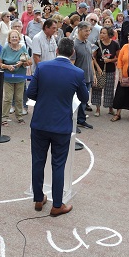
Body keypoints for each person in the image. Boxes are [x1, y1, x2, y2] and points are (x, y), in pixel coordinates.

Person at [26, 37, 88, 216]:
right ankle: (57, 204)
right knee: (58, 164)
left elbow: (30, 92)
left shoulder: (43, 67)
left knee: (38, 161)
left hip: (40, 122)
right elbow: (84, 98)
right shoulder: (77, 73)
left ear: (57, 50)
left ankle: (38, 198)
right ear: (73, 53)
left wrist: (46, 98)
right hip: (61, 124)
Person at [0, 30, 31, 125]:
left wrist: (22, 63)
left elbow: (29, 62)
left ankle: (19, 117)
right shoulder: (5, 49)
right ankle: (4, 118)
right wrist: (7, 66)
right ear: (9, 39)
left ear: (19, 38)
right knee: (8, 98)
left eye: (16, 37)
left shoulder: (23, 48)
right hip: (8, 78)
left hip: (20, 78)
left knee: (19, 98)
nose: (14, 38)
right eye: (12, 37)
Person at [92, 26, 119, 117]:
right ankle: (97, 109)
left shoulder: (115, 44)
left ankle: (110, 108)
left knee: (109, 89)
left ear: (109, 34)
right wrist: (98, 68)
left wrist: (110, 61)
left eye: (104, 33)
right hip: (99, 70)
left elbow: (118, 57)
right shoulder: (97, 43)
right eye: (101, 32)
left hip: (110, 70)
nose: (102, 35)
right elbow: (93, 57)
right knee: (97, 88)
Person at [73, 21, 95, 130]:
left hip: (88, 77)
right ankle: (74, 122)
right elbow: (71, 64)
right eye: (86, 30)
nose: (88, 32)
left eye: (89, 30)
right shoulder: (74, 45)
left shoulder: (88, 43)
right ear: (80, 30)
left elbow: (91, 60)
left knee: (84, 101)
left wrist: (93, 75)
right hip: (78, 79)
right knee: (76, 102)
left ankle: (81, 120)